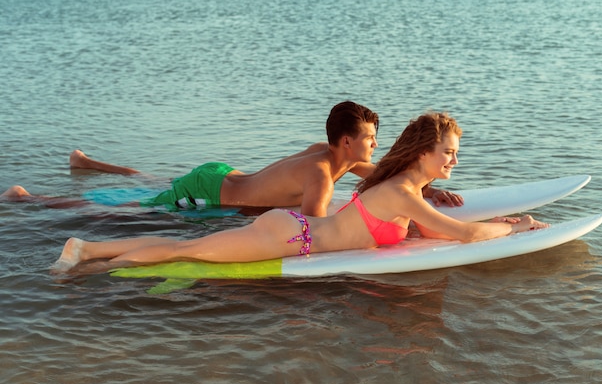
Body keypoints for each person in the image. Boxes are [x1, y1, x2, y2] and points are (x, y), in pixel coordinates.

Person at [51, 111, 548, 276]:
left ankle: (92, 256)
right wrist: (516, 226)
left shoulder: (401, 185)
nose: (453, 161)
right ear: (423, 153)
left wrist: (436, 198)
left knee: (189, 253)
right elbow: (461, 234)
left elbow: (426, 222)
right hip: (296, 239)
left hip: (295, 233)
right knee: (187, 250)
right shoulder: (400, 190)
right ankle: (86, 250)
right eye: (449, 152)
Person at [2, 101, 463, 216]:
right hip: (208, 191)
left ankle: (86, 162)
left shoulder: (328, 156)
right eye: (367, 139)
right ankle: (29, 197)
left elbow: (382, 175)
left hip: (224, 172)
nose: (373, 147)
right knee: (123, 211)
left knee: (151, 180)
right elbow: (312, 232)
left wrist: (426, 187)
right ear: (345, 141)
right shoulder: (321, 174)